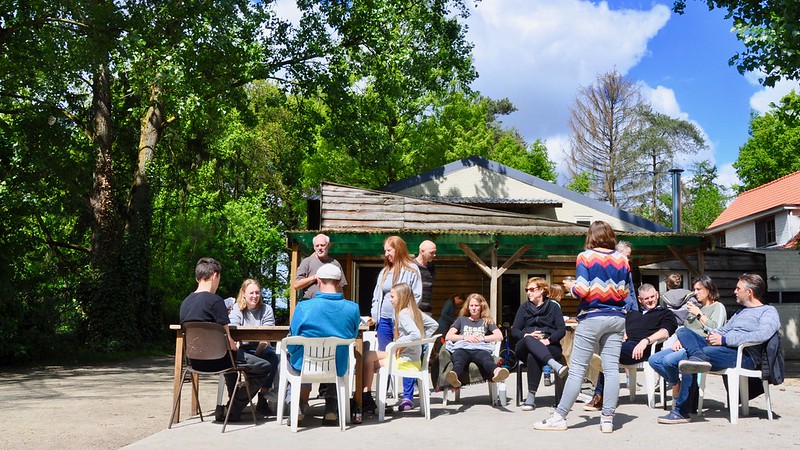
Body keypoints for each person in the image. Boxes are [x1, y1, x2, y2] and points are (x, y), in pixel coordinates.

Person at [534, 220, 630, 433]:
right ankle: (607, 419)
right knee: (612, 369)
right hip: (617, 318)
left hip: (593, 317)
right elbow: (625, 292)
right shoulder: (622, 259)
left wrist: (571, 286)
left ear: (591, 236)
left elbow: (582, 291)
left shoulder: (585, 257)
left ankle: (560, 416)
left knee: (577, 369)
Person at [657, 273, 780, 424]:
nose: (734, 291)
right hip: (724, 350)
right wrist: (713, 333)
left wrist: (725, 339)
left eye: (738, 288)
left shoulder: (768, 311)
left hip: (744, 356)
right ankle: (698, 357)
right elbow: (723, 330)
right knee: (683, 332)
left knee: (690, 359)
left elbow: (763, 334)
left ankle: (681, 411)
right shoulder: (740, 311)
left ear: (749, 292)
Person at [179, 257, 270, 422]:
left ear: (197, 277)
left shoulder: (185, 302)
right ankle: (232, 409)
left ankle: (231, 408)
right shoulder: (215, 301)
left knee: (233, 361)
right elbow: (228, 342)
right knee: (263, 366)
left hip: (194, 363)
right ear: (215, 275)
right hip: (219, 360)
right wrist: (235, 346)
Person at [583, 283, 678, 411]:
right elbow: (620, 326)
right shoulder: (633, 314)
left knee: (609, 355)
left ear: (657, 294)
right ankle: (602, 384)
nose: (650, 300)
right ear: (640, 300)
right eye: (646, 298)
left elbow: (666, 332)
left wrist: (646, 340)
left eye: (652, 297)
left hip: (648, 350)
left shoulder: (665, 313)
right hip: (627, 347)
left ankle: (600, 395)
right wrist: (622, 333)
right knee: (608, 349)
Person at [287, 263, 360, 426]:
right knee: (338, 356)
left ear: (318, 280)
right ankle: (331, 408)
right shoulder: (352, 308)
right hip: (337, 366)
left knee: (288, 355)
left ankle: (297, 405)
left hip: (304, 365)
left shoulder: (304, 307)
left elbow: (292, 339)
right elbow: (352, 336)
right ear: (340, 281)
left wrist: (291, 352)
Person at [361, 283, 438, 414]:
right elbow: (433, 325)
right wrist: (419, 342)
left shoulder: (403, 314)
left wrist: (399, 343)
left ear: (402, 297)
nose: (389, 299)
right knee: (368, 356)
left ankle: (365, 398)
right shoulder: (415, 311)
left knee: (368, 360)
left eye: (392, 297)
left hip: (406, 361)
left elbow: (415, 334)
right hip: (411, 359)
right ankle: (366, 398)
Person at [648, 274, 727, 400]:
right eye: (694, 289)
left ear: (709, 289)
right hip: (684, 344)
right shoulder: (698, 307)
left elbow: (715, 328)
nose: (695, 293)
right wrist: (680, 339)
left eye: (698, 289)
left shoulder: (717, 307)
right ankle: (675, 383)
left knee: (668, 361)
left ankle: (682, 394)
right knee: (654, 360)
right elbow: (687, 328)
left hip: (701, 346)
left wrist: (699, 315)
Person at [370, 236, 422, 407]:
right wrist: (375, 314)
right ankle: (382, 398)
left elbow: (417, 296)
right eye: (385, 250)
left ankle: (407, 397)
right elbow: (377, 295)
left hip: (402, 321)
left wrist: (405, 314)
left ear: (398, 249)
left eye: (389, 250)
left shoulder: (412, 269)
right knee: (385, 354)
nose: (386, 254)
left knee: (406, 355)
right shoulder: (385, 271)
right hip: (384, 321)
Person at [513, 277, 568, 411]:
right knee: (529, 341)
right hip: (524, 346)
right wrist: (527, 335)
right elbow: (515, 330)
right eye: (527, 290)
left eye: (532, 289)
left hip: (549, 344)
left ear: (542, 290)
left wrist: (547, 341)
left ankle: (531, 398)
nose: (528, 293)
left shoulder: (553, 307)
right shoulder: (524, 307)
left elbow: (561, 330)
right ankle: (555, 365)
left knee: (534, 355)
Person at [228, 278, 280, 417]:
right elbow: (234, 335)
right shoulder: (236, 309)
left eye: (257, 293)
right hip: (243, 348)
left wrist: (257, 355)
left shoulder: (266, 309)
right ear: (243, 293)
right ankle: (233, 399)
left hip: (261, 348)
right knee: (229, 358)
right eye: (251, 293)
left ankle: (262, 398)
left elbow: (266, 337)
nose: (255, 296)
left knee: (272, 358)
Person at [444, 293, 509, 389]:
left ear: (481, 306)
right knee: (459, 361)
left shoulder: (486, 321)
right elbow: (448, 336)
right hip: (463, 348)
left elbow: (499, 336)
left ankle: (497, 372)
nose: (474, 308)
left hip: (480, 349)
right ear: (468, 307)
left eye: (476, 305)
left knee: (487, 360)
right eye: (471, 305)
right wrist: (464, 337)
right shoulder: (462, 320)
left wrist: (482, 338)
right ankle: (454, 377)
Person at [292, 233, 347, 300]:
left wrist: (342, 302)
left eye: (322, 245)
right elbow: (296, 285)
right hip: (310, 303)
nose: (319, 248)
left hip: (330, 303)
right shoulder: (307, 262)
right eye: (317, 246)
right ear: (314, 247)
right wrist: (314, 277)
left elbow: (340, 287)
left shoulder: (335, 264)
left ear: (328, 245)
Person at [413, 240, 437, 315]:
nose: (434, 255)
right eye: (431, 252)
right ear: (422, 251)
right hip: (413, 310)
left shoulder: (431, 267)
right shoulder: (411, 266)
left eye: (434, 252)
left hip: (427, 311)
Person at [616, 241, 639, 312]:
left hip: (628, 311)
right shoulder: (609, 271)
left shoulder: (627, 272)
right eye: (627, 256)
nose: (629, 259)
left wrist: (635, 312)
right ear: (619, 252)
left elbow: (632, 292)